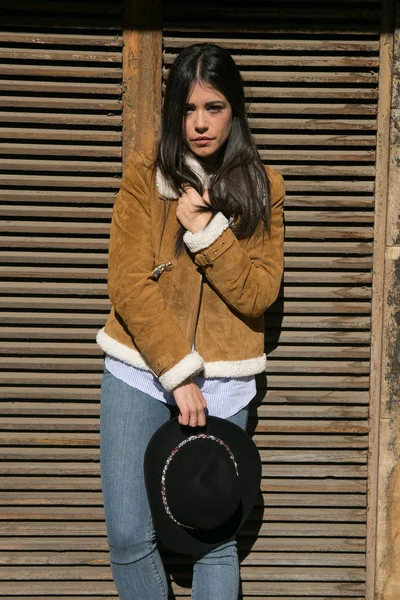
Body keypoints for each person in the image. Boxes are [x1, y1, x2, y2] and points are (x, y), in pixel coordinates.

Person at [97, 43, 284, 600]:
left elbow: (258, 294)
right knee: (130, 533)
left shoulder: (265, 189)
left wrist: (206, 230)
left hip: (224, 383)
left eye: (215, 107)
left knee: (213, 538)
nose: (200, 123)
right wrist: (178, 372)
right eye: (187, 108)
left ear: (236, 111)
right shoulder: (143, 177)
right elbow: (128, 283)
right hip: (138, 370)